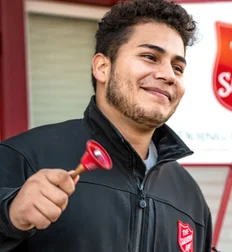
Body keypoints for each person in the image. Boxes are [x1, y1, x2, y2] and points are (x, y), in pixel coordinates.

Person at [0, 0, 213, 251]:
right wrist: (9, 217)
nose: (168, 75)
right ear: (102, 67)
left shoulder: (191, 197)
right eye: (149, 57)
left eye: (177, 67)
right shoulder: (22, 158)